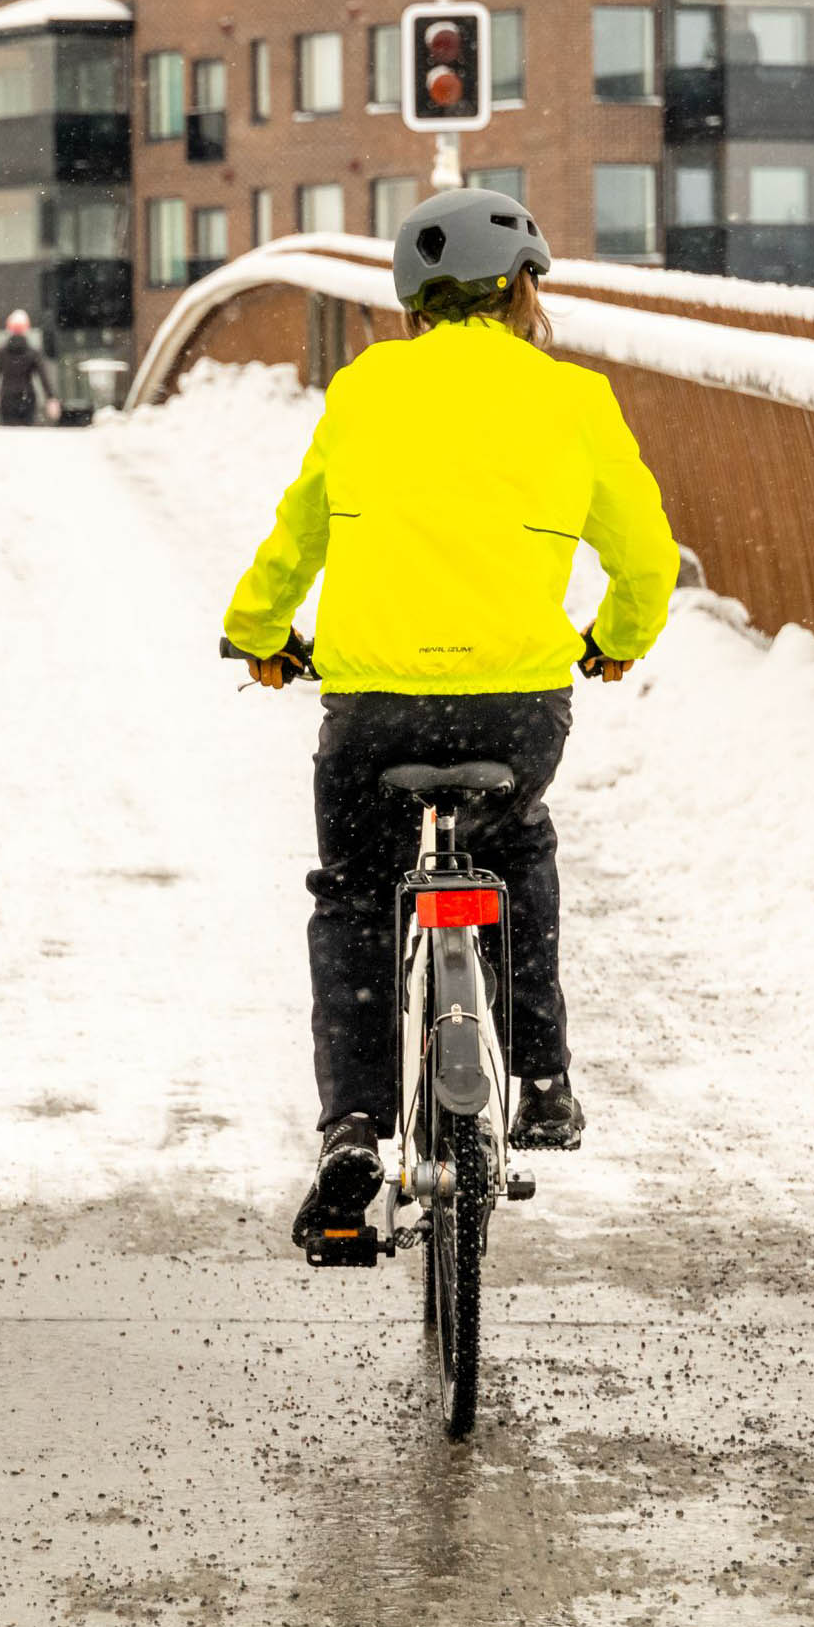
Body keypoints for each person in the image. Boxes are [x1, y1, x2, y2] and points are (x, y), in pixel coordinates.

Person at [220, 187, 678, 1259]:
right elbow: (644, 561)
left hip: (373, 706)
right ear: (524, 288)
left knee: (351, 894)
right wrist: (613, 639)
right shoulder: (573, 398)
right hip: (516, 705)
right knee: (514, 841)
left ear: (412, 299)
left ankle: (349, 1128)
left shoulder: (364, 388)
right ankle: (547, 1076)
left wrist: (256, 629)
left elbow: (298, 535)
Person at [0, 310, 58, 426]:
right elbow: (44, 377)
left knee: (10, 435)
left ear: (8, 329)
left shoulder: (0, 353)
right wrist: (51, 398)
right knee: (26, 436)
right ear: (26, 329)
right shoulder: (33, 353)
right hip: (27, 397)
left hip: (7, 398)